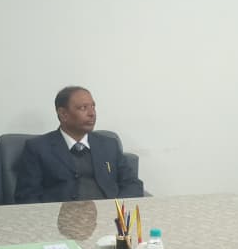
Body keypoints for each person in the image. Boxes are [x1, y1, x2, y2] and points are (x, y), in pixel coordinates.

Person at [15, 86, 143, 203]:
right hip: (60, 217)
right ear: (63, 114)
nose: (92, 113)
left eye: (93, 107)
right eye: (83, 108)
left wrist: (117, 209)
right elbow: (26, 196)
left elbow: (132, 184)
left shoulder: (109, 145)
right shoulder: (38, 148)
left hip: (108, 215)